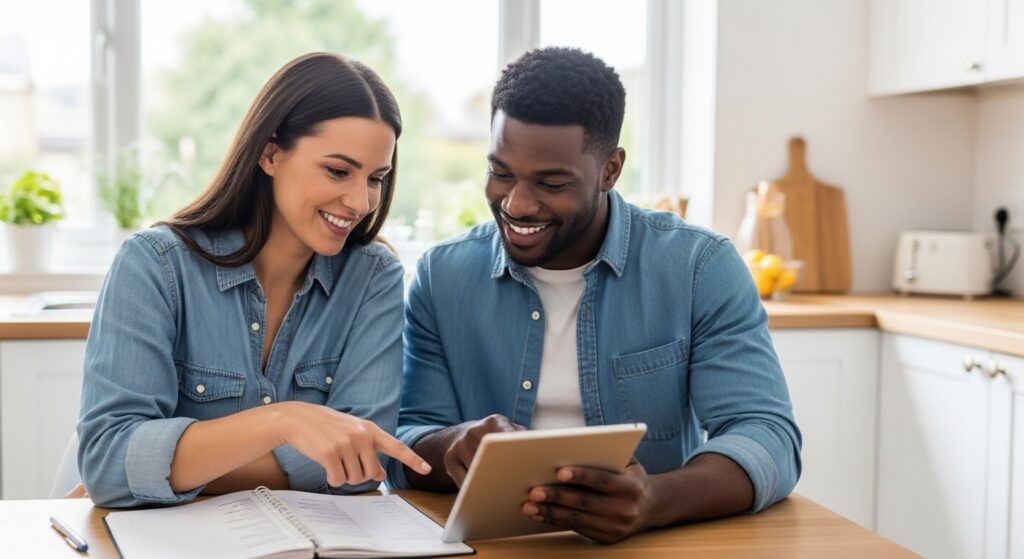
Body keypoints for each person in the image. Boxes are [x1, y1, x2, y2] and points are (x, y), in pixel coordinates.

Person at [387, 47, 801, 544]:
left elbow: (767, 435)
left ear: (610, 170)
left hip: (653, 545)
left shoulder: (699, 268)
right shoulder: (442, 276)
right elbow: (408, 438)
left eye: (551, 182)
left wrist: (655, 502)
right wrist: (452, 443)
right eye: (501, 172)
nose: (516, 203)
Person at [77, 52, 431, 508]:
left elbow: (360, 470)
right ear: (270, 153)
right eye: (338, 171)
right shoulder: (155, 266)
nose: (361, 202)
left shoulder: (374, 278)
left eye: (376, 178)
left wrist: (164, 469)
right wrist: (282, 422)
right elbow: (109, 463)